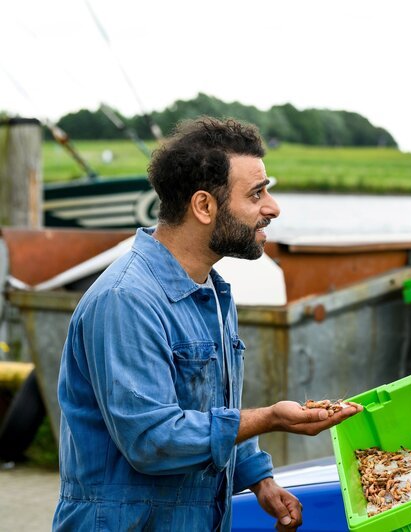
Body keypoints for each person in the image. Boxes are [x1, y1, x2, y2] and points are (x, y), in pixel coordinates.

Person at [53, 117, 363, 531]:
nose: (272, 207)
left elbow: (216, 407)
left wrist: (257, 477)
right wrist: (269, 418)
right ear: (204, 206)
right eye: (256, 194)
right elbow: (151, 440)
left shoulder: (212, 293)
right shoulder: (125, 300)